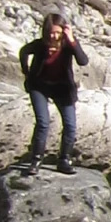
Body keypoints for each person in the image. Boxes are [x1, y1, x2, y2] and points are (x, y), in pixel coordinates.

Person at [18, 11, 88, 174]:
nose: (54, 36)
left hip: (62, 88)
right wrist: (26, 71)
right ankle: (36, 160)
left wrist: (71, 39)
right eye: (51, 32)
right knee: (43, 122)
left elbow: (83, 61)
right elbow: (23, 51)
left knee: (70, 125)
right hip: (40, 86)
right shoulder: (40, 45)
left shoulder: (68, 45)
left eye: (57, 32)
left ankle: (64, 160)